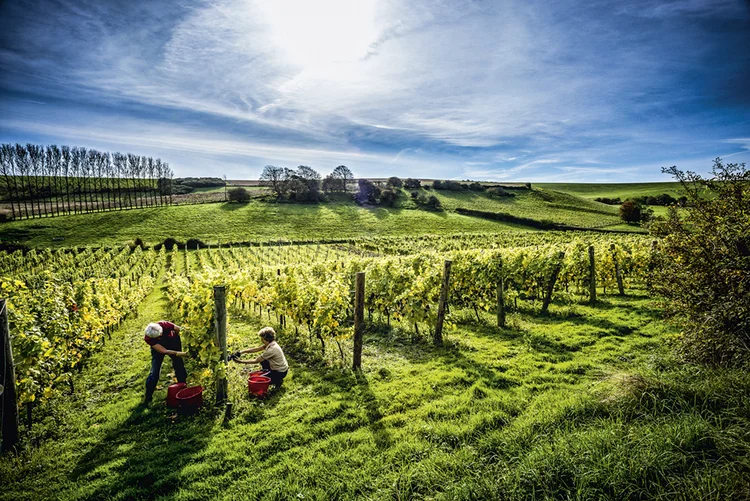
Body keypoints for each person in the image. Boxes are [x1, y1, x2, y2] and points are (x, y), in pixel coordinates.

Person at [143, 321, 188, 404]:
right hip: (158, 347)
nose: (159, 337)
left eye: (160, 335)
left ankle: (183, 387)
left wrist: (176, 340)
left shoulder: (164, 325)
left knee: (178, 364)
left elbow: (178, 329)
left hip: (172, 341)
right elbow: (164, 351)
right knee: (154, 372)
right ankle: (148, 396)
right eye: (157, 337)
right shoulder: (148, 338)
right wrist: (178, 353)